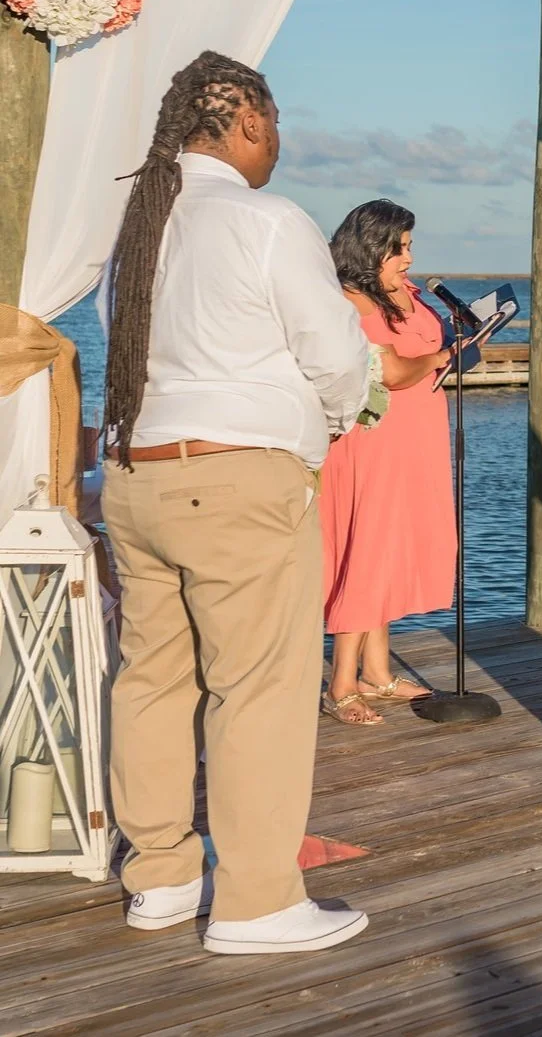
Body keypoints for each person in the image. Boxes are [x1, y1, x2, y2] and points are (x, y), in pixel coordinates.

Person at [101, 51, 385, 955]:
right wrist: (332, 421)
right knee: (258, 687)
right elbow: (335, 353)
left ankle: (160, 875)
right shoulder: (266, 220)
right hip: (237, 479)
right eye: (277, 126)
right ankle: (256, 901)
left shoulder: (137, 230)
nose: (280, 144)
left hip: (137, 476)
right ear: (249, 121)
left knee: (152, 679)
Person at [319, 201, 455, 725]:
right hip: (373, 443)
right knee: (368, 551)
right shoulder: (350, 301)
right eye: (399, 248)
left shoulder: (397, 292)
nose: (408, 257)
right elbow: (392, 371)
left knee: (388, 549)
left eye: (410, 246)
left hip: (412, 440)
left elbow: (420, 339)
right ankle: (341, 682)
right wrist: (442, 358)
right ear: (371, 247)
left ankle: (376, 671)